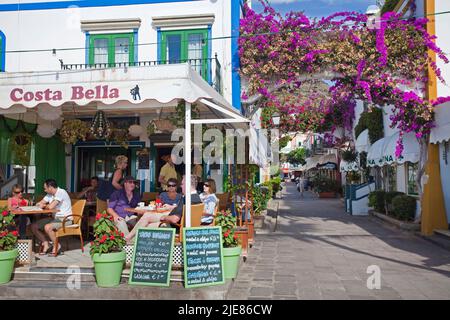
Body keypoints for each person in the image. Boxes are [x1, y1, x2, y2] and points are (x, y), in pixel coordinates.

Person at [125, 175, 201, 243]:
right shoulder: (196, 198)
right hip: (182, 226)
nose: (181, 186)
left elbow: (174, 219)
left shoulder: (187, 199)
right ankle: (131, 239)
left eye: (182, 184)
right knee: (147, 217)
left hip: (174, 226)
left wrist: (163, 217)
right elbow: (182, 211)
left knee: (147, 221)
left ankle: (129, 239)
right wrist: (172, 207)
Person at [31, 179, 72, 256]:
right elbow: (40, 203)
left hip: (66, 219)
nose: (45, 190)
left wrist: (43, 205)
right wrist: (39, 204)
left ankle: (57, 245)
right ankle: (46, 243)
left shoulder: (61, 192)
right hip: (54, 218)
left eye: (45, 188)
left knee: (47, 227)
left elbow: (50, 207)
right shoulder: (50, 195)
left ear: (50, 187)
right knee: (34, 226)